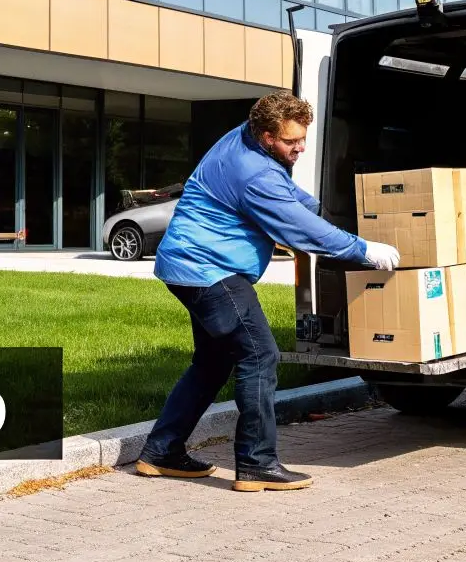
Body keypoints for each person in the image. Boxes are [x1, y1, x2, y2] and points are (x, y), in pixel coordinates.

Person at [135, 91, 400, 492]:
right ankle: (256, 463)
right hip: (210, 270)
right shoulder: (253, 172)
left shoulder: (243, 137)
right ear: (265, 137)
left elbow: (291, 200)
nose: (300, 147)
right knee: (259, 355)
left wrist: (324, 212)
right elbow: (298, 229)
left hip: (190, 264)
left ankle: (161, 452)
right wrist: (363, 249)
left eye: (303, 138)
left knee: (211, 363)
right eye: (291, 141)